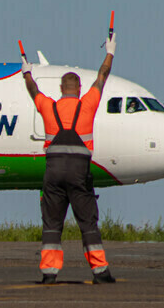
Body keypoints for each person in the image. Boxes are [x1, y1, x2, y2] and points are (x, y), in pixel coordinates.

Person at [22, 32, 117, 285]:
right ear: (79, 89)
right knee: (87, 223)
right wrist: (109, 52)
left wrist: (26, 72)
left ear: (61, 90)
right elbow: (102, 76)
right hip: (78, 174)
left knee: (52, 224)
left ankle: (49, 273)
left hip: (53, 173)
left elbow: (33, 91)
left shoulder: (48, 106)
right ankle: (100, 272)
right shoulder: (88, 104)